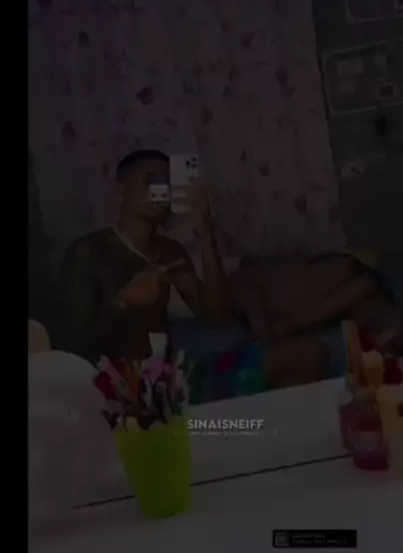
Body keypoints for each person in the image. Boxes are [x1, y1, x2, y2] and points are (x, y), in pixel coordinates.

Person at [61, 149, 328, 389]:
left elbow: (216, 317)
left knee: (308, 353)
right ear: (120, 192)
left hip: (174, 376)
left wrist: (206, 232)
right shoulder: (88, 251)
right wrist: (124, 302)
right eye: (151, 180)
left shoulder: (169, 250)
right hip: (125, 387)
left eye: (168, 183)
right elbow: (74, 343)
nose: (162, 190)